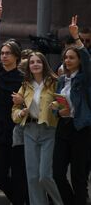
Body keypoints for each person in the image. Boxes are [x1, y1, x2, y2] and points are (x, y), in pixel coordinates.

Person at [0, 0, 27, 204]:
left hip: (17, 132)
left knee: (19, 177)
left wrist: (23, 101)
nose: (3, 56)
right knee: (0, 178)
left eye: (8, 54)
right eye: (2, 54)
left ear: (17, 57)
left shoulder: (23, 79)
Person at [11, 51, 62, 205]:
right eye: (32, 62)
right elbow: (14, 111)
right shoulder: (25, 85)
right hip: (30, 130)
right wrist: (21, 112)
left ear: (44, 64)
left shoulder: (54, 82)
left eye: (38, 61)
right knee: (32, 177)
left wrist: (56, 105)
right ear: (29, 66)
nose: (35, 64)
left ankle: (60, 201)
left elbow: (63, 101)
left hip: (49, 130)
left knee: (45, 175)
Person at [52, 16, 91, 205]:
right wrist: (56, 110)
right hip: (63, 128)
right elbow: (59, 104)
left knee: (79, 176)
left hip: (81, 129)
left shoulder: (85, 79)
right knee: (57, 173)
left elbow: (87, 59)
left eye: (71, 57)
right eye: (65, 57)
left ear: (79, 60)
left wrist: (76, 38)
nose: (67, 60)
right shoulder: (61, 80)